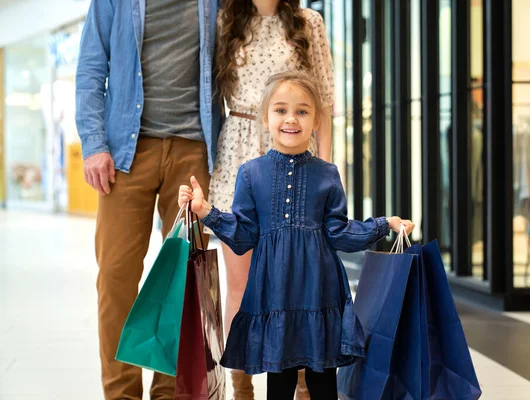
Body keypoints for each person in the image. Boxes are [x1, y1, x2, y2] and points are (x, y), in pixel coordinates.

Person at [178, 72, 415, 400]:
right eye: (280, 110)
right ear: (265, 117)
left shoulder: (327, 174)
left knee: (322, 381)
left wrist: (383, 224)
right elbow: (245, 234)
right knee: (279, 382)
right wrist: (207, 212)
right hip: (275, 295)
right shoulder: (251, 173)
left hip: (320, 293)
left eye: (302, 111)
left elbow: (339, 233)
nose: (291, 119)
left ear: (316, 119)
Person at [75, 0, 222, 399]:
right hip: (125, 152)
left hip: (192, 149)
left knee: (183, 276)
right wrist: (93, 144)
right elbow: (91, 67)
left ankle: (169, 392)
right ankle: (122, 393)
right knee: (116, 276)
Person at [209, 1, 335, 396]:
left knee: (300, 282)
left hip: (298, 155)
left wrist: (327, 169)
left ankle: (302, 381)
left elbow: (326, 104)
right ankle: (242, 386)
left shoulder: (308, 22)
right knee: (240, 286)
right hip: (239, 151)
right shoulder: (225, 18)